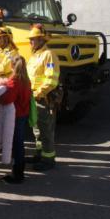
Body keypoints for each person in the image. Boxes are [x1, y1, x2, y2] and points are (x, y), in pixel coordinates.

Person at [27, 24, 60, 171]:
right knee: (37, 130)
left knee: (46, 131)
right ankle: (39, 154)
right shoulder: (34, 56)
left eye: (33, 39)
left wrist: (39, 93)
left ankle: (49, 160)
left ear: (41, 40)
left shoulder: (49, 55)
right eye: (31, 40)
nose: (31, 42)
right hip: (33, 97)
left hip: (43, 98)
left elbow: (51, 79)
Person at [0, 56, 32, 183]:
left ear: (12, 66)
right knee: (20, 144)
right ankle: (19, 171)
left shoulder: (15, 80)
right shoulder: (26, 80)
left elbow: (8, 99)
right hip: (23, 114)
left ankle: (18, 174)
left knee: (16, 144)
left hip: (15, 116)